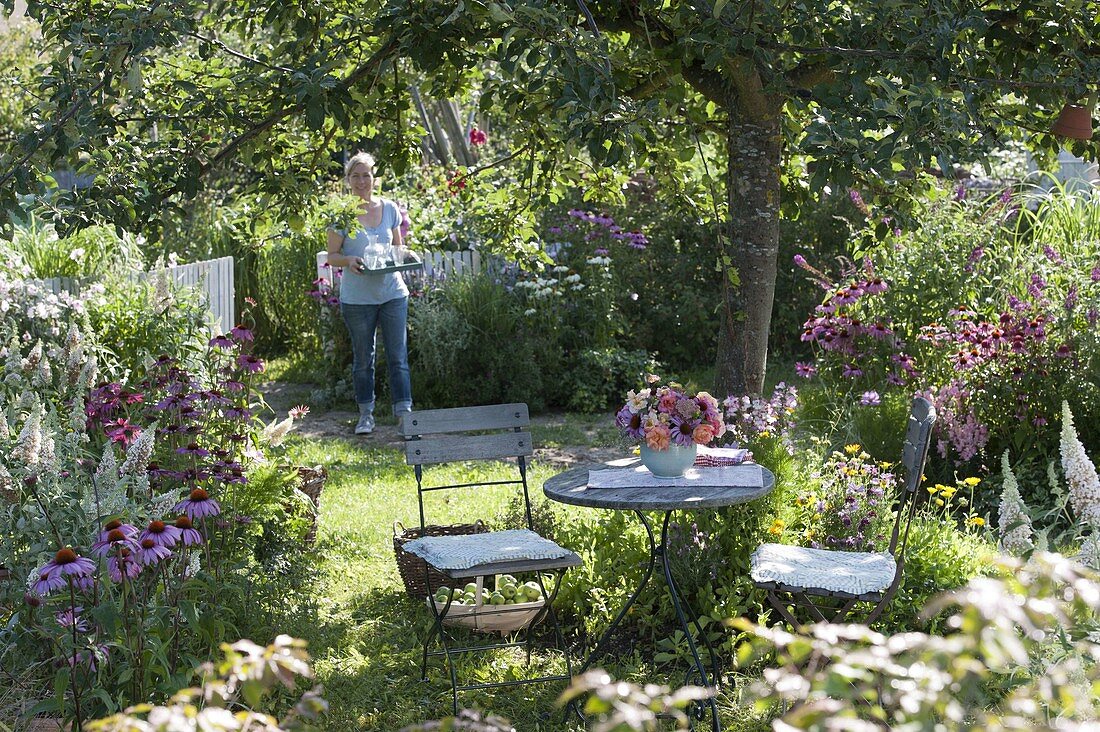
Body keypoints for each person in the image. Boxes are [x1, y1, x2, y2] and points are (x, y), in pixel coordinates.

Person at [326, 151, 413, 434]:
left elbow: (398, 248)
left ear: (374, 178)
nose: (362, 181)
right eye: (356, 176)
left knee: (398, 358)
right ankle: (366, 415)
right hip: (358, 299)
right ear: (348, 179)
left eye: (366, 175)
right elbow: (332, 256)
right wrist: (349, 261)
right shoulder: (342, 214)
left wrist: (408, 254)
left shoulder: (390, 209)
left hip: (393, 293)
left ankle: (405, 417)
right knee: (364, 360)